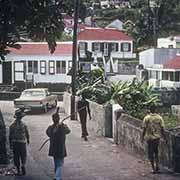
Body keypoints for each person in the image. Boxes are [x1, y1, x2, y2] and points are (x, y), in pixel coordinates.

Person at [141, 104, 167, 173]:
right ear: (155, 110)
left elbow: (144, 129)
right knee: (156, 152)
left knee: (150, 153)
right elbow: (162, 129)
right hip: (157, 138)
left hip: (149, 138)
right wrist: (165, 138)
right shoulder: (159, 118)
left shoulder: (146, 118)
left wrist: (142, 137)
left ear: (149, 110)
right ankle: (157, 166)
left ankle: (153, 168)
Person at [46, 112, 70, 180]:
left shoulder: (50, 127)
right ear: (59, 119)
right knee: (60, 163)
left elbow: (48, 133)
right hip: (60, 148)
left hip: (53, 148)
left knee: (57, 162)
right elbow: (68, 131)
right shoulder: (61, 127)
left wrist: (60, 125)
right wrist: (62, 125)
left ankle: (57, 176)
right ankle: (57, 177)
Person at [9, 109, 30, 175]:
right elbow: (27, 133)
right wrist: (28, 140)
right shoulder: (24, 125)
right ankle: (23, 165)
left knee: (16, 156)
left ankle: (18, 170)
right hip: (22, 142)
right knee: (23, 155)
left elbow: (10, 135)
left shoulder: (12, 125)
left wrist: (10, 144)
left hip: (15, 142)